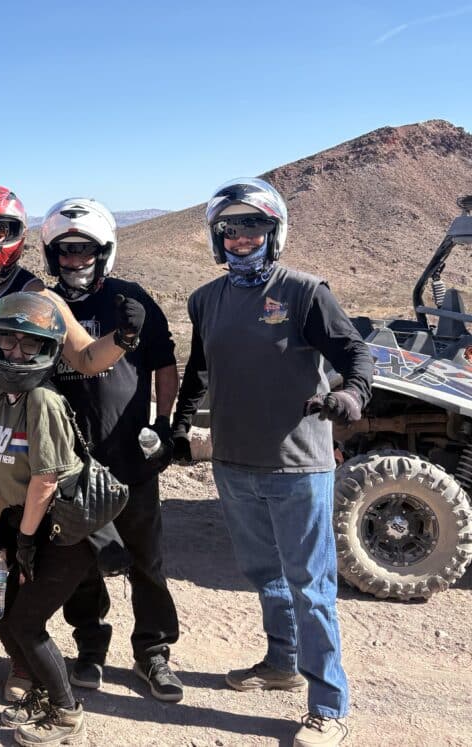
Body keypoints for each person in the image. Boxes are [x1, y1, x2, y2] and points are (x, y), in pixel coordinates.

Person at [171, 178, 372, 747]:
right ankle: (282, 664)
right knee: (265, 574)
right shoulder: (205, 299)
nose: (241, 238)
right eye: (230, 229)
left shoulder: (305, 292)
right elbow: (200, 370)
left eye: (253, 227)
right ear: (217, 237)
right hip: (234, 462)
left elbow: (355, 352)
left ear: (274, 232)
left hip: (298, 465)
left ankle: (328, 706)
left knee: (311, 585)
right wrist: (180, 427)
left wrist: (351, 395)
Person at [0, 184, 143, 697]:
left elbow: (86, 358)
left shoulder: (39, 295)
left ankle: (23, 660)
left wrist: (123, 338)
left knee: (19, 555)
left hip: (24, 449)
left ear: (16, 235)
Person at [42, 198, 183, 700]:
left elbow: (165, 365)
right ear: (52, 255)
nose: (75, 260)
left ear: (104, 252)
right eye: (66, 251)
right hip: (71, 459)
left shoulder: (132, 299)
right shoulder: (45, 304)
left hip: (130, 456)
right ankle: (90, 645)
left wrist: (163, 425)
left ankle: (153, 651)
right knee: (79, 560)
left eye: (84, 250)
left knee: (147, 560)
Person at [0, 292, 115, 746]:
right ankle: (37, 691)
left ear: (48, 349)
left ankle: (67, 713)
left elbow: (46, 480)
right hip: (18, 519)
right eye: (8, 341)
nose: (16, 352)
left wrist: (26, 542)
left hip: (59, 529)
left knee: (26, 622)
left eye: (29, 343)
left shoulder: (41, 401)